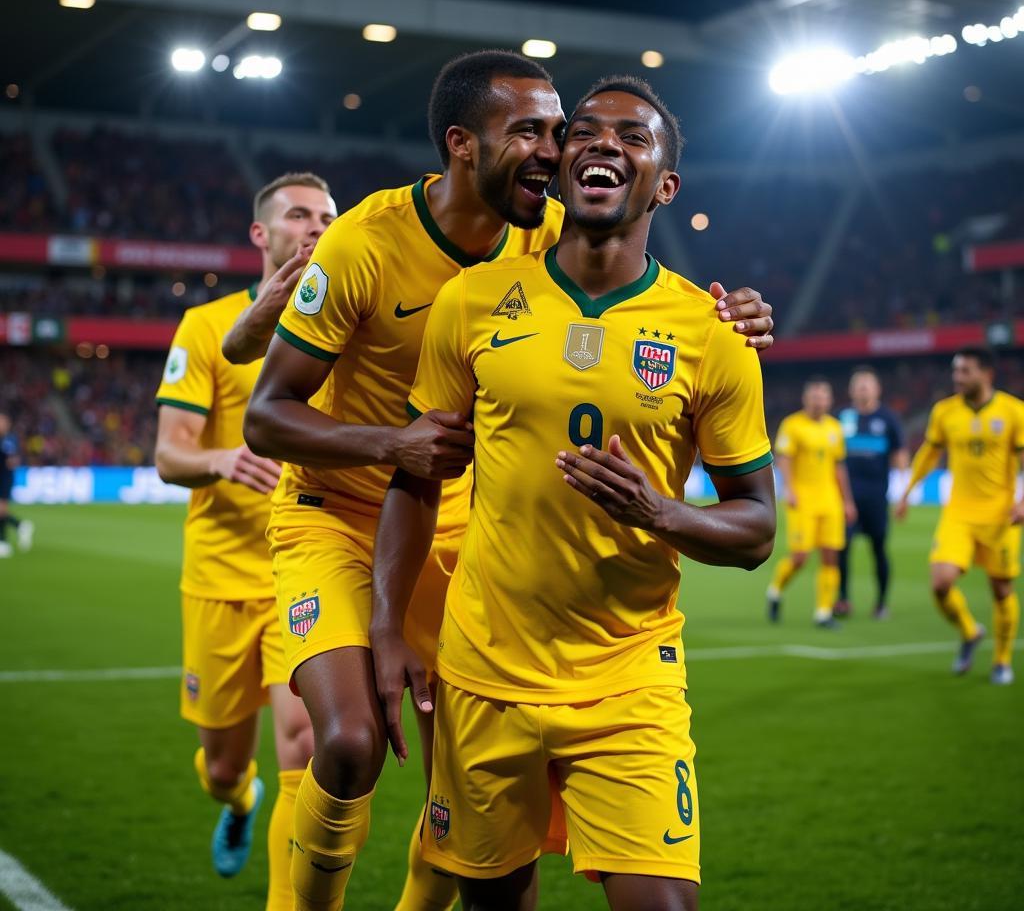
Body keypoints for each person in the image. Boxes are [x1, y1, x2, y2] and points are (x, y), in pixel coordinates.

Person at [243, 51, 776, 911]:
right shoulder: (367, 245)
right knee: (346, 741)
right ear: (462, 144)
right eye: (534, 131)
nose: (555, 148)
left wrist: (737, 309)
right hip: (337, 509)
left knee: (450, 799)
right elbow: (265, 415)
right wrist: (398, 446)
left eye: (556, 132)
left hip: (458, 525)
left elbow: (636, 270)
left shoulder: (546, 233)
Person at [154, 171, 336, 910]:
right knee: (226, 764)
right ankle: (236, 800)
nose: (318, 225)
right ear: (262, 235)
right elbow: (170, 455)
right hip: (221, 576)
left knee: (304, 743)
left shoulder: (345, 326)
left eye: (329, 215)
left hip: (306, 568)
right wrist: (222, 459)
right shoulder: (205, 327)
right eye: (299, 214)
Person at [896, 348, 1024, 684]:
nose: (957, 377)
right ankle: (969, 632)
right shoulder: (945, 411)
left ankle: (1001, 660)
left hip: (1000, 517)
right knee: (940, 584)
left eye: (965, 371)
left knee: (1001, 589)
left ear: (986, 374)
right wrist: (908, 491)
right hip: (959, 513)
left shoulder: (1013, 411)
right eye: (956, 371)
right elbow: (929, 453)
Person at [766, 378, 857, 627]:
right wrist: (790, 489)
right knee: (801, 557)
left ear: (829, 400)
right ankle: (775, 590)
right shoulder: (792, 425)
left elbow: (839, 467)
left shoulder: (835, 428)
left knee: (830, 556)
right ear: (806, 399)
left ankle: (823, 612)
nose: (818, 401)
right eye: (814, 396)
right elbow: (784, 458)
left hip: (830, 500)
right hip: (803, 500)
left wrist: (847, 501)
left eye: (823, 396)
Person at [835, 366, 908, 619]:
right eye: (858, 384)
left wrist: (903, 491)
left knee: (878, 549)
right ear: (851, 390)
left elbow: (899, 454)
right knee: (841, 549)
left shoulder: (888, 418)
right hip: (846, 498)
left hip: (876, 498)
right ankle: (842, 599)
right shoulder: (842, 417)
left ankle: (881, 603)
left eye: (867, 383)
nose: (863, 388)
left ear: (877, 389)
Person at [0, 412, 33, 558]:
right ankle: (20, 526)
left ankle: (4, 542)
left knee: (1, 510)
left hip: (4, 478)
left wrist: (10, 461)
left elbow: (12, 462)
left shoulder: (9, 441)